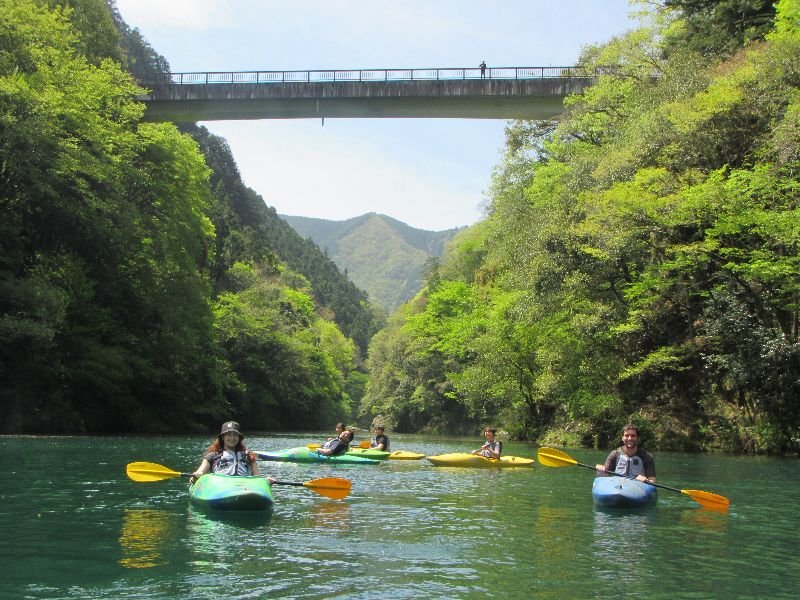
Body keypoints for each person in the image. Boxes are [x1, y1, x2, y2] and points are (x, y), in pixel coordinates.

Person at [189, 421, 273, 484]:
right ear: (222, 437)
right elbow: (194, 478)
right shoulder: (212, 456)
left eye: (235, 435)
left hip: (245, 487)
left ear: (239, 437)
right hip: (221, 486)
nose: (232, 438)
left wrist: (266, 482)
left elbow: (257, 479)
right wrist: (196, 477)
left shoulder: (248, 456)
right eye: (228, 434)